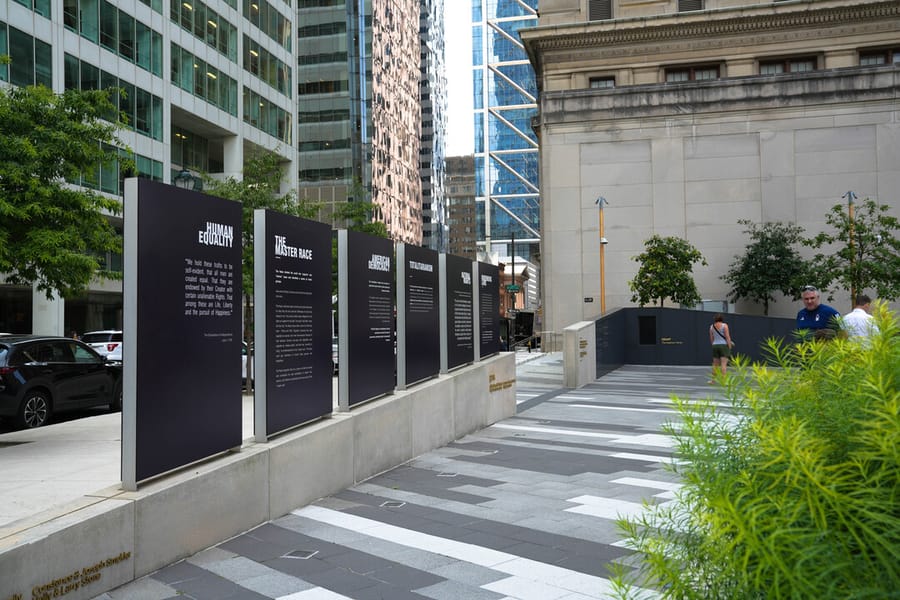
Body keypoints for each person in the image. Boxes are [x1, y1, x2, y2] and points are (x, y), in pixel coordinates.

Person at [709, 313, 733, 380]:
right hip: (723, 345)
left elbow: (711, 338)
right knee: (723, 364)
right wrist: (729, 346)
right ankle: (724, 380)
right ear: (722, 319)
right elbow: (727, 337)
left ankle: (713, 380)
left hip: (715, 345)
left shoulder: (711, 327)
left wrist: (713, 345)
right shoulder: (724, 325)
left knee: (715, 364)